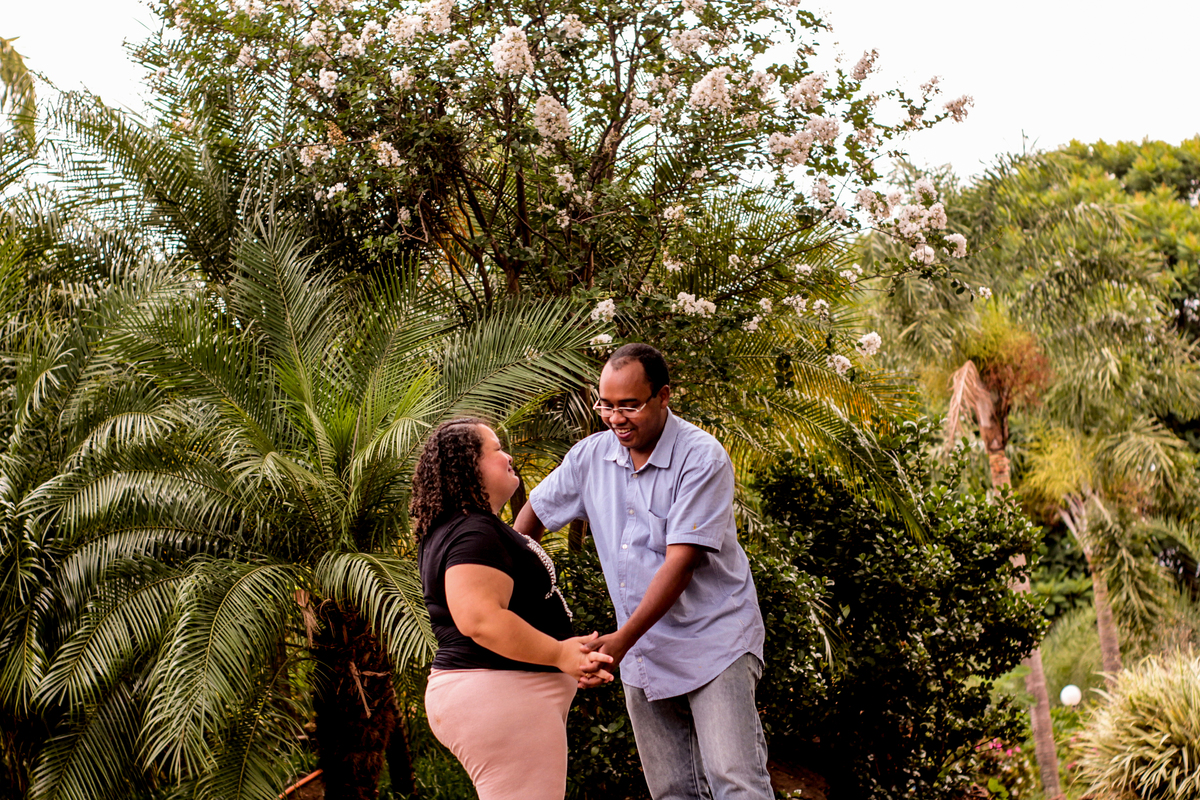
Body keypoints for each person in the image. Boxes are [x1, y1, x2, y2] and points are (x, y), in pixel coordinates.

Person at [514, 343, 772, 800]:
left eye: (629, 405)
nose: (616, 418)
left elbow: (681, 563)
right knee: (672, 791)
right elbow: (529, 521)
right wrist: (526, 605)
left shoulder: (701, 458)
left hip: (716, 640)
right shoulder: (589, 457)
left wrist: (620, 641)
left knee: (735, 782)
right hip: (642, 651)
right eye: (606, 405)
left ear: (663, 396)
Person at [412, 418, 613, 800]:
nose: (507, 456)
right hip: (500, 691)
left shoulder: (463, 528)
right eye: (496, 448)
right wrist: (558, 653)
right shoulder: (474, 532)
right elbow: (480, 619)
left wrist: (573, 656)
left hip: (496, 692)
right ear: (469, 464)